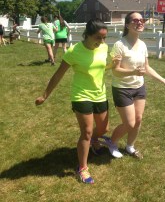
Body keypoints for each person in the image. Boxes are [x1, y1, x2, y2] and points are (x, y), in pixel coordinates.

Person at [35, 19, 112, 184]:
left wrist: (114, 65)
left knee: (104, 128)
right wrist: (45, 95)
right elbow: (58, 74)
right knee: (87, 132)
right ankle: (82, 168)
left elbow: (101, 67)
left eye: (104, 37)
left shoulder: (104, 48)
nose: (102, 41)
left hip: (100, 94)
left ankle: (94, 142)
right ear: (88, 35)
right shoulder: (74, 51)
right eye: (98, 37)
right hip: (81, 95)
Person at [108, 11, 165, 159]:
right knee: (129, 123)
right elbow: (116, 71)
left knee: (138, 119)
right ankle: (112, 142)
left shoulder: (143, 45)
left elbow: (147, 67)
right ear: (127, 24)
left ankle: (130, 146)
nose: (140, 22)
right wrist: (133, 71)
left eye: (142, 20)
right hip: (122, 88)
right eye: (135, 20)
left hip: (139, 87)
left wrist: (162, 79)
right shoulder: (119, 45)